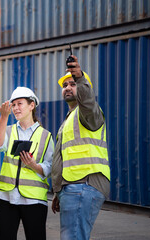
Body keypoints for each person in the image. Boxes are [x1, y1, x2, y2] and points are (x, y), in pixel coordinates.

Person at [51, 55, 111, 240]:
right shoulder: (69, 119)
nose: (68, 87)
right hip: (72, 187)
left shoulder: (88, 112)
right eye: (64, 85)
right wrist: (59, 189)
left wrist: (80, 77)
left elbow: (88, 101)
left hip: (84, 185)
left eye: (72, 84)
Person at [0, 87, 54, 240]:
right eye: (13, 105)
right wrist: (3, 118)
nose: (16, 108)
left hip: (34, 200)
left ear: (32, 105)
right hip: (7, 197)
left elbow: (50, 166)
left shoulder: (46, 136)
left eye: (20, 104)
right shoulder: (8, 130)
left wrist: (34, 166)